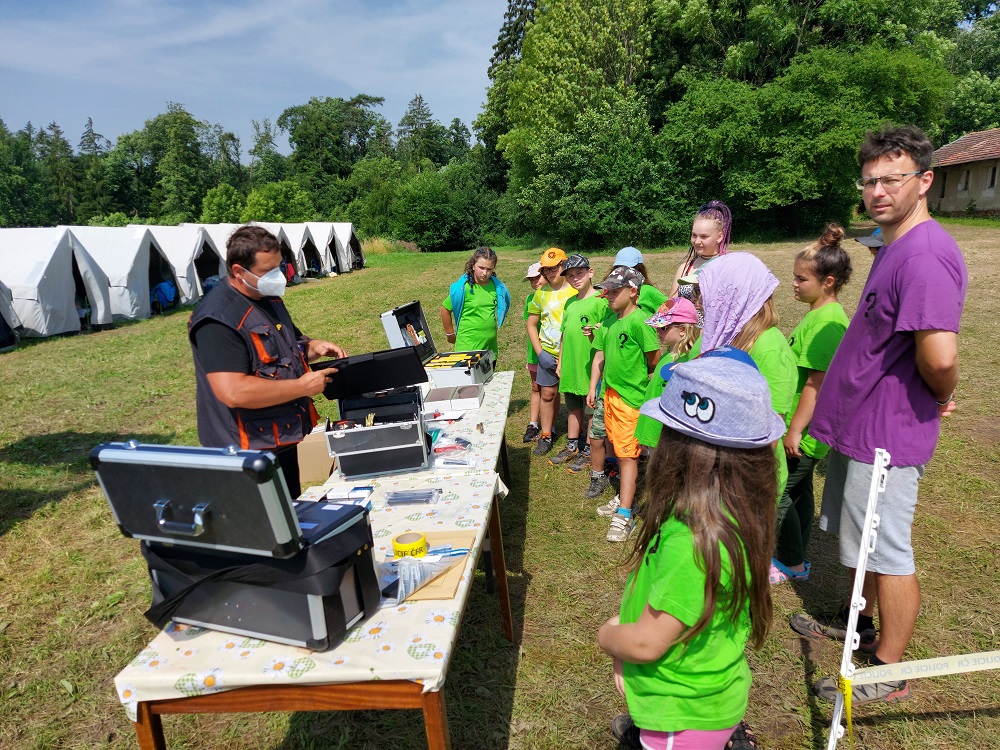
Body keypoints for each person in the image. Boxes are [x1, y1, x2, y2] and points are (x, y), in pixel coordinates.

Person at [790, 125, 967, 705]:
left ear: (925, 181)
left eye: (893, 178)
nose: (879, 191)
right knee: (858, 543)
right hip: (860, 427)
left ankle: (885, 668)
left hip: (888, 434)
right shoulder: (893, 246)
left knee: (886, 551)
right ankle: (856, 624)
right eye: (870, 181)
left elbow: (939, 355)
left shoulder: (926, 254)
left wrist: (941, 396)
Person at [598, 349, 783, 750]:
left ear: (676, 451)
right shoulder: (731, 512)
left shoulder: (692, 539)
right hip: (701, 695)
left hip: (680, 714)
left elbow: (648, 643)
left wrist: (610, 635)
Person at [188, 225, 347, 498]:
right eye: (268, 271)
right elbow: (233, 391)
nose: (278, 276)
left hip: (278, 439)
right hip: (245, 453)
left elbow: (286, 348)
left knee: (292, 517)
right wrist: (302, 387)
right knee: (269, 534)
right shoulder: (218, 319)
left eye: (279, 266)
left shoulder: (267, 298)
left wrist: (312, 347)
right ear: (238, 271)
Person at [770, 225, 852, 585]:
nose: (794, 284)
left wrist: (794, 430)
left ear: (829, 281)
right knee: (799, 490)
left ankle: (789, 560)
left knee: (778, 492)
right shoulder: (817, 315)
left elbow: (816, 385)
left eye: (801, 279)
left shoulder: (827, 324)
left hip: (804, 432)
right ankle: (798, 556)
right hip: (805, 430)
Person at [698, 253, 797, 502]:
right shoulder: (729, 337)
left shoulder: (770, 349)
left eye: (708, 292)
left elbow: (769, 432)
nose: (700, 302)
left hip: (750, 481)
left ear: (733, 295)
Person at [588, 268, 659, 542]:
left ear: (633, 292)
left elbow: (653, 360)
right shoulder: (612, 321)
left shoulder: (640, 321)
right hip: (612, 397)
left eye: (615, 291)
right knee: (621, 452)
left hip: (631, 400)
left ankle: (626, 513)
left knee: (629, 457)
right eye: (607, 290)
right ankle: (624, 497)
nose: (608, 295)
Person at [550, 254, 608, 469]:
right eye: (571, 276)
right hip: (572, 363)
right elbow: (564, 334)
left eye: (579, 273)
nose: (575, 279)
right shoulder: (570, 303)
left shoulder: (601, 302)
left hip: (591, 364)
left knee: (591, 408)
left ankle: (589, 448)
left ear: (590, 272)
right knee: (573, 405)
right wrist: (560, 362)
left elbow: (605, 334)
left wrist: (595, 332)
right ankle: (572, 444)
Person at [527, 247, 577, 456]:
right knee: (547, 394)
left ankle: (577, 437)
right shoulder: (540, 294)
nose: (550, 273)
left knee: (575, 395)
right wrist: (540, 353)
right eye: (546, 270)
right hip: (548, 351)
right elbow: (531, 324)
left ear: (564, 266)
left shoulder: (575, 291)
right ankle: (546, 435)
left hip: (572, 352)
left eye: (554, 268)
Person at [634, 298, 701, 452]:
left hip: (665, 435)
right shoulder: (667, 356)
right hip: (652, 426)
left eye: (663, 327)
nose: (658, 331)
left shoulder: (686, 362)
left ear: (682, 329)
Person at [440, 246, 511, 360]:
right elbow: (445, 309)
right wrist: (450, 334)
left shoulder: (496, 287)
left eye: (489, 269)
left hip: (490, 348)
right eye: (481, 267)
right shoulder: (464, 288)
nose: (485, 273)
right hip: (467, 348)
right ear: (473, 265)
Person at [671, 200, 732, 298]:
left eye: (704, 236)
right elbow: (672, 304)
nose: (697, 241)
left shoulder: (728, 267)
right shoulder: (685, 268)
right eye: (694, 235)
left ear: (719, 237)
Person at [522, 262, 548, 443]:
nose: (534, 282)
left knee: (549, 390)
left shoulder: (558, 297)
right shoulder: (530, 299)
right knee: (535, 386)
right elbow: (529, 324)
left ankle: (550, 426)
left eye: (537, 277)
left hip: (552, 351)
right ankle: (533, 423)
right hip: (534, 351)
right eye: (531, 279)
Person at [610, 246, 667, 317]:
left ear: (639, 269)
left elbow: (670, 308)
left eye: (630, 268)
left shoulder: (648, 290)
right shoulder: (613, 291)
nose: (624, 271)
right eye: (620, 267)